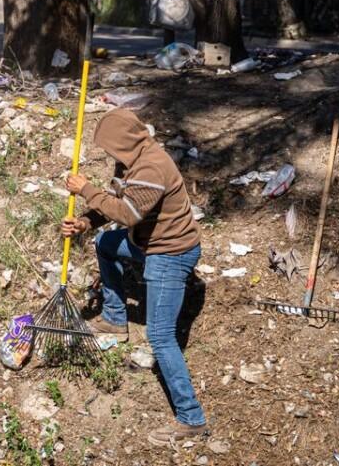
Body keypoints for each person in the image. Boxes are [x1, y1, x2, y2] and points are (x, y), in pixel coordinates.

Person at [59, 108, 207, 447]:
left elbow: (128, 213)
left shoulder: (153, 166)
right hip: (147, 242)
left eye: (111, 147)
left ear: (123, 142)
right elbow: (115, 202)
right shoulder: (130, 162)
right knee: (104, 244)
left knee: (160, 336)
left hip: (170, 253)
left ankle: (192, 418)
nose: (110, 155)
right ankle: (115, 318)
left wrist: (86, 189)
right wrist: (84, 222)